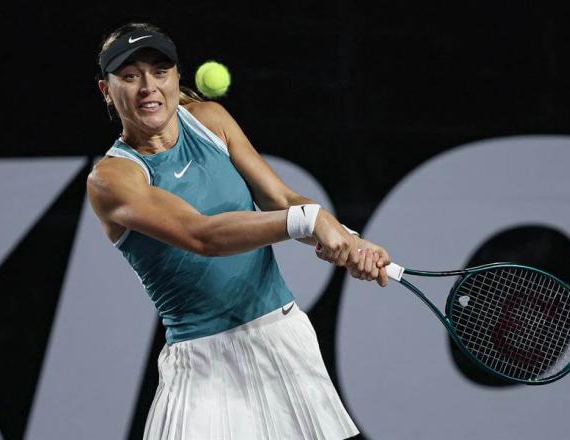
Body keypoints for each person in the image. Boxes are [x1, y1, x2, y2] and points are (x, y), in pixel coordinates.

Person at [87, 22, 392, 440]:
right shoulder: (112, 178)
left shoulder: (210, 120)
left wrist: (347, 237)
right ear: (107, 90)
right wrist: (311, 220)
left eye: (159, 72)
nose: (148, 87)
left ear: (177, 77)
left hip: (281, 338)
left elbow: (280, 199)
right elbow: (203, 236)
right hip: (200, 364)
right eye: (129, 75)